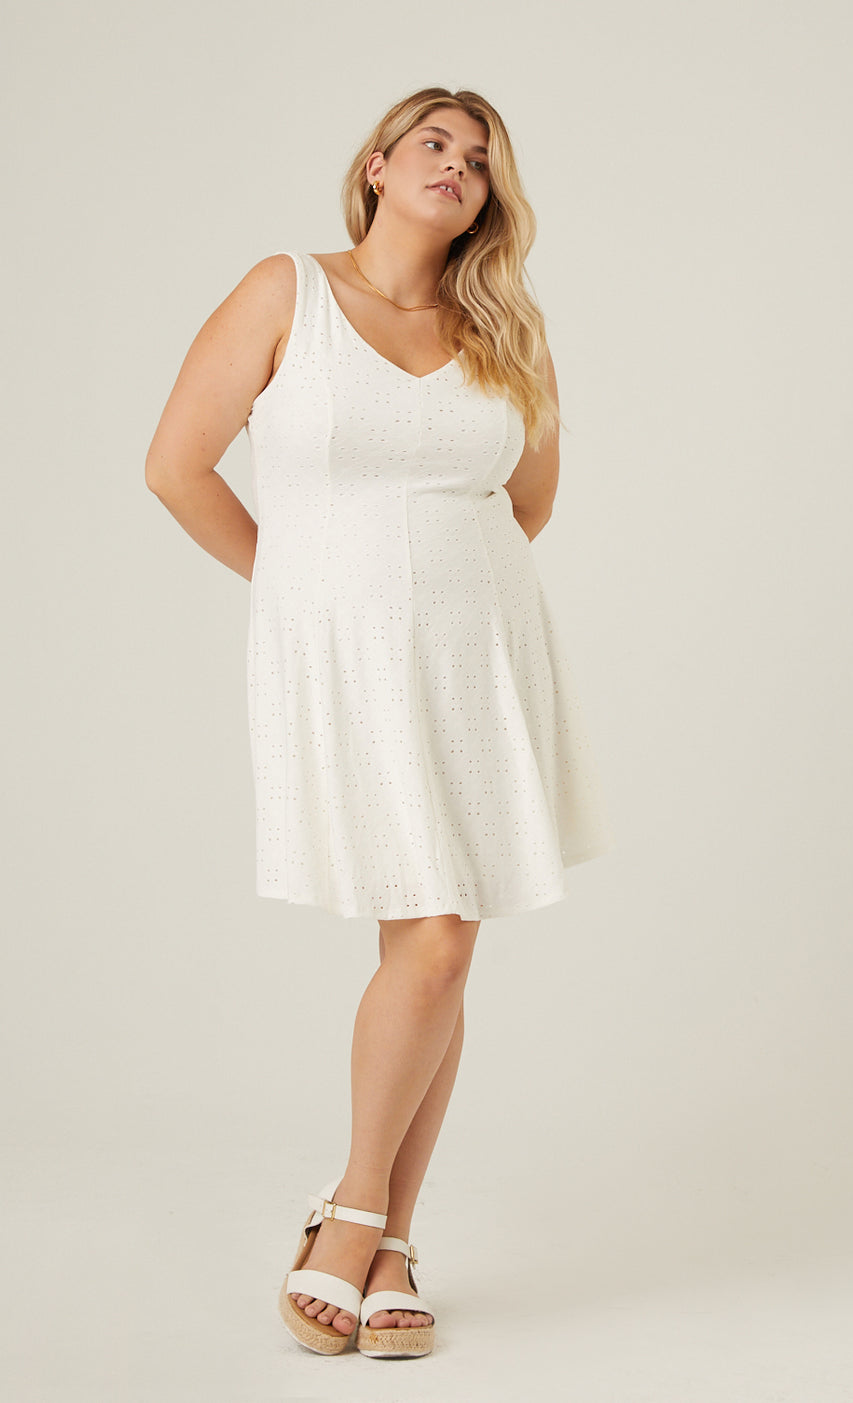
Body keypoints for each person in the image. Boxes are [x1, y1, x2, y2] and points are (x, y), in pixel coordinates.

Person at [144, 86, 614, 1361]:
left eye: (479, 159)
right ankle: (364, 1216)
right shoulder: (285, 291)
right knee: (434, 941)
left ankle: (373, 1230)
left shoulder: (502, 325)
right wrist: (307, 595)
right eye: (433, 144)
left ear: (490, 196)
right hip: (340, 656)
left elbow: (528, 501)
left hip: (476, 653)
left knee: (438, 942)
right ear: (375, 166)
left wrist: (435, 597)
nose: (455, 166)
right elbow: (176, 464)